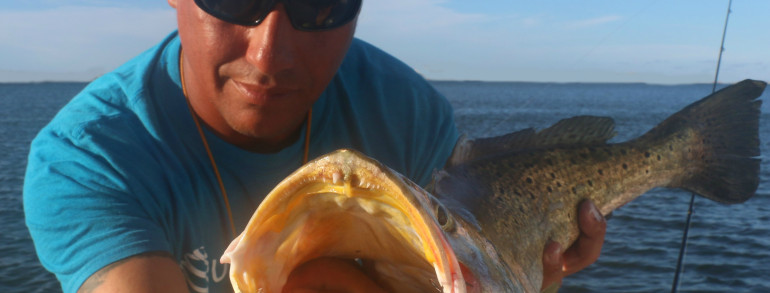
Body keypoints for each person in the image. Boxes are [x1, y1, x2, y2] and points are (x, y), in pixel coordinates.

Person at [23, 0, 606, 292]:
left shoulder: (407, 112)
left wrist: (526, 261)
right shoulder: (88, 162)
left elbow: (474, 252)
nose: (268, 56)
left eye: (319, 5)